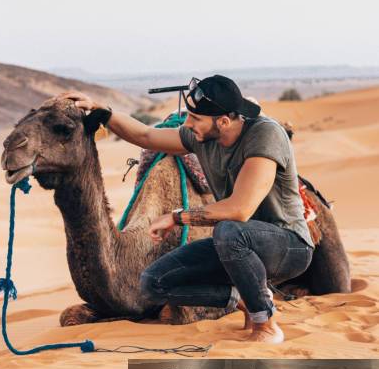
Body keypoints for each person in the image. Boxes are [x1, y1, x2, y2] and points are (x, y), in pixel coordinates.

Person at [58, 75, 314, 343]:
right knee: (153, 282)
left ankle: (266, 325)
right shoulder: (201, 137)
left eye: (194, 118)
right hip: (237, 241)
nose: (187, 123)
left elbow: (240, 209)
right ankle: (244, 297)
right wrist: (102, 111)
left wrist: (177, 217)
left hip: (288, 244)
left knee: (229, 230)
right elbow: (146, 135)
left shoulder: (264, 134)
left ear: (223, 121)